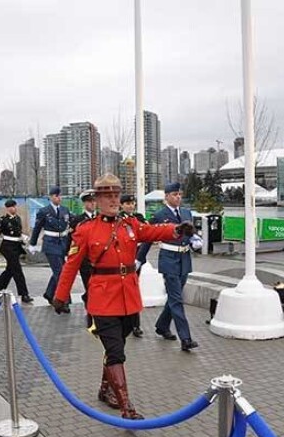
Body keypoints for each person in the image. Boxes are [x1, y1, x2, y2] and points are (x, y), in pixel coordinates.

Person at [52, 174, 194, 419]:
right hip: (102, 300)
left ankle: (105, 389)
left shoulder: (130, 224)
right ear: (97, 200)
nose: (114, 200)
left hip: (128, 299)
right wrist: (60, 295)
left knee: (116, 348)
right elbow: (71, 264)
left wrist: (177, 229)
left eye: (116, 195)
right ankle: (127, 407)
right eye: (108, 196)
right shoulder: (85, 230)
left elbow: (152, 231)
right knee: (116, 351)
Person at [137, 182, 202, 352]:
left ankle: (161, 326)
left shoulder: (187, 212)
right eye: (174, 194)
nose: (178, 197)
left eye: (180, 194)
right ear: (166, 196)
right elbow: (148, 236)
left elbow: (191, 233)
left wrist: (195, 239)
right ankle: (186, 338)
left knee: (175, 298)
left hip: (184, 260)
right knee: (177, 300)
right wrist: (139, 259)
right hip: (169, 260)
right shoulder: (159, 215)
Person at [29, 186, 72, 314]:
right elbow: (37, 228)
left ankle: (49, 294)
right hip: (50, 244)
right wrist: (32, 243)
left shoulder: (65, 210)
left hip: (62, 244)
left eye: (60, 196)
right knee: (61, 273)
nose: (59, 198)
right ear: (51, 197)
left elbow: (72, 222)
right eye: (56, 196)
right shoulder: (44, 211)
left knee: (59, 271)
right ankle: (64, 301)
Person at [0, 199, 33, 304]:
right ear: (7, 208)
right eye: (11, 207)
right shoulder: (2, 220)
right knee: (17, 270)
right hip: (7, 247)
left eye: (15, 206)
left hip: (16, 246)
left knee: (10, 270)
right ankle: (24, 294)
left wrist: (23, 237)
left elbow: (17, 232)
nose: (14, 208)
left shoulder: (18, 219)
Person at [68, 189, 97, 329]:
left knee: (96, 289)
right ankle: (91, 318)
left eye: (94, 201)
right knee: (90, 288)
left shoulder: (101, 218)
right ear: (84, 203)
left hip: (99, 261)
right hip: (85, 261)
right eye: (89, 202)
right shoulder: (77, 220)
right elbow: (72, 240)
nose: (92, 204)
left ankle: (91, 305)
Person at [120, 194, 146, 338]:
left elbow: (146, 234)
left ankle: (136, 325)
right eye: (127, 203)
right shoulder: (119, 220)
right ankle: (125, 320)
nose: (130, 206)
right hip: (124, 261)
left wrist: (139, 259)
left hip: (137, 259)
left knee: (134, 290)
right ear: (121, 205)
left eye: (132, 203)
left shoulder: (139, 218)